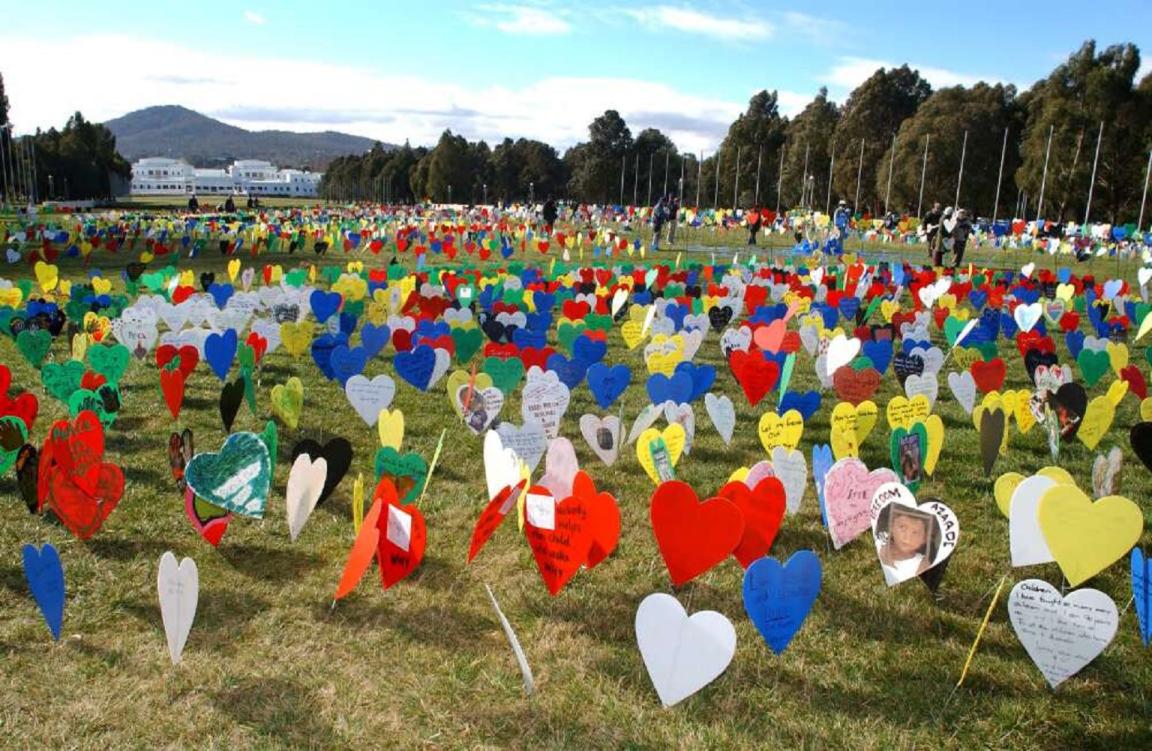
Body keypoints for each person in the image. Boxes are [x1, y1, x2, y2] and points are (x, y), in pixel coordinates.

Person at [875, 504, 940, 585]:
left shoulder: (921, 564)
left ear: (924, 539)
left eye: (915, 532)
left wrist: (890, 568)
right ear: (891, 526)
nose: (907, 537)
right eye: (902, 527)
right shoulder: (878, 543)